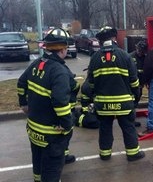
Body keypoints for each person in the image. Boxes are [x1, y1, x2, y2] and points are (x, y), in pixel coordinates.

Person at [17, 28, 79, 182]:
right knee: (51, 171)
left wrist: (23, 103)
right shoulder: (59, 71)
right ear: (63, 49)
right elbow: (60, 103)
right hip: (51, 135)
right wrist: (66, 125)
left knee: (38, 163)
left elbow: (21, 82)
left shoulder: (37, 63)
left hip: (34, 130)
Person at [87, 26, 145, 161]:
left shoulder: (94, 58)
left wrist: (95, 97)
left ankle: (105, 154)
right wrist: (135, 97)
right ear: (114, 38)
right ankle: (132, 154)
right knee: (128, 128)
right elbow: (134, 81)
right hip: (124, 103)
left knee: (105, 128)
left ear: (101, 41)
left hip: (102, 104)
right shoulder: (125, 55)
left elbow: (91, 83)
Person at [130, 39, 148, 127]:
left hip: (140, 85)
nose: (140, 52)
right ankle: (131, 120)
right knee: (132, 102)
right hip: (131, 85)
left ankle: (132, 118)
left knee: (136, 101)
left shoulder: (145, 58)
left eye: (141, 51)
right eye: (138, 50)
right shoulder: (130, 57)